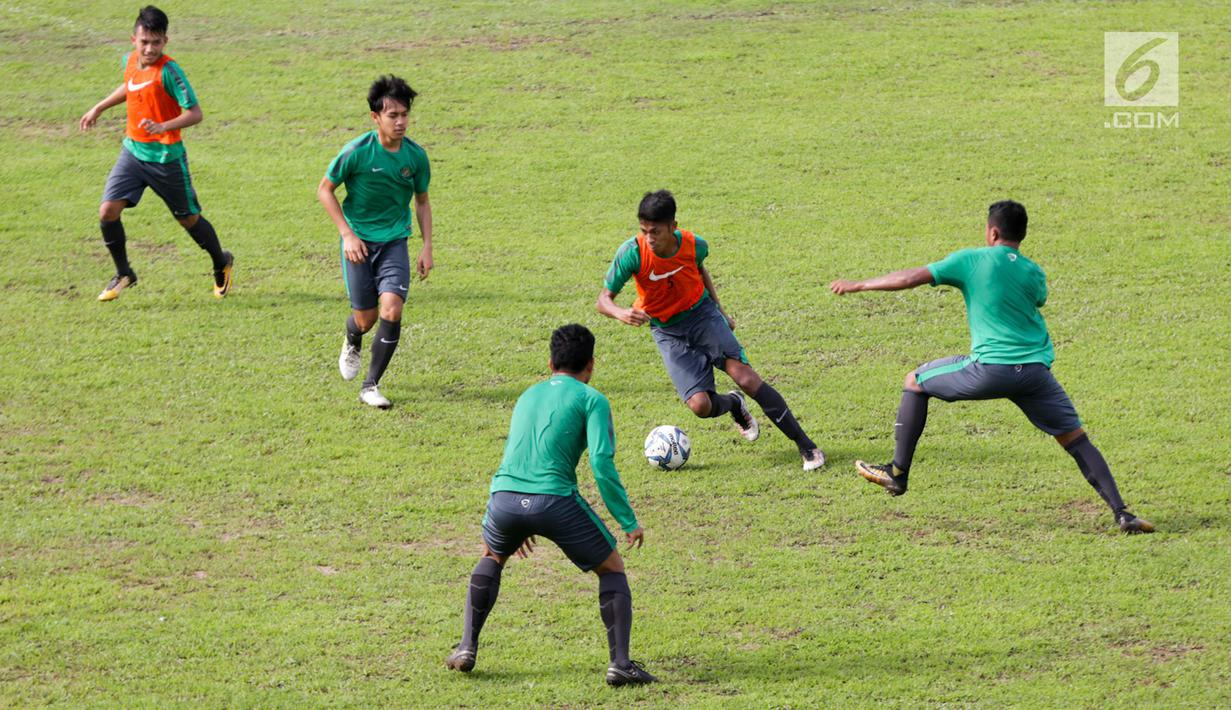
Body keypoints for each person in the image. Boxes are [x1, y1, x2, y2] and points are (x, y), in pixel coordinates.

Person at [829, 200, 1153, 533]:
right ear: (1022, 235)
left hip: (990, 370)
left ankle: (897, 473)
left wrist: (860, 284)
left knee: (915, 380)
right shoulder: (1033, 271)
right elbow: (1037, 299)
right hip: (1034, 376)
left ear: (992, 231)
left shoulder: (972, 260)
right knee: (1076, 441)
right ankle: (1122, 513)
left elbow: (912, 278)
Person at [445, 324, 657, 687]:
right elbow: (602, 465)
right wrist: (627, 520)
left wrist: (513, 521)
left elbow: (512, 458)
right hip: (554, 500)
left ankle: (466, 647)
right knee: (612, 568)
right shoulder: (592, 399)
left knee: (492, 555)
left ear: (549, 362)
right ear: (591, 365)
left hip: (504, 499)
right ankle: (620, 664)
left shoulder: (527, 395)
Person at [597, 190, 825, 471]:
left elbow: (699, 270)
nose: (649, 239)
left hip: (703, 316)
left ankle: (807, 447)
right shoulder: (632, 253)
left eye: (655, 232)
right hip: (667, 331)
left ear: (673, 226)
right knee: (700, 406)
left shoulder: (694, 245)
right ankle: (733, 405)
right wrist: (621, 312)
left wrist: (720, 311)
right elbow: (603, 300)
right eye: (644, 231)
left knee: (746, 378)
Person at [79, 5, 234, 302]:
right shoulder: (130, 62)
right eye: (144, 42)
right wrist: (99, 107)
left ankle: (221, 261)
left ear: (165, 41)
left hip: (166, 159)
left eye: (156, 42)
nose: (149, 48)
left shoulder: (170, 72)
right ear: (133, 40)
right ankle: (124, 272)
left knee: (189, 220)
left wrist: (162, 125)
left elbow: (195, 113)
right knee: (107, 211)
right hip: (132, 154)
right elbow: (129, 86)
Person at [317, 75, 433, 409]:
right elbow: (324, 190)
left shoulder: (415, 157)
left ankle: (371, 385)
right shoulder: (356, 152)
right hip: (359, 244)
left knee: (392, 308)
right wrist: (347, 234)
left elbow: (422, 202)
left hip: (395, 240)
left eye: (404, 115)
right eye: (393, 115)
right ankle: (353, 336)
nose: (401, 122)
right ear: (375, 118)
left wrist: (426, 246)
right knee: (366, 319)